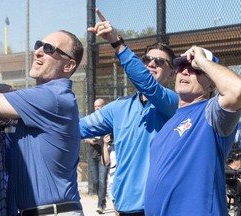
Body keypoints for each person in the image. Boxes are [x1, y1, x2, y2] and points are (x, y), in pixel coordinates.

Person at [0, 30, 84, 216]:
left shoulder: (52, 97)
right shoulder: (45, 99)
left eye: (49, 49)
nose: (38, 51)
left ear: (69, 65)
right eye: (39, 44)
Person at [80, 9, 178, 215]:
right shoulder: (120, 106)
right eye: (147, 60)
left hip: (158, 208)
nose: (151, 63)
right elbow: (78, 127)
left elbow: (147, 84)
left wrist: (116, 41)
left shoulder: (173, 103)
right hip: (123, 207)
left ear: (172, 73)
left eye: (160, 62)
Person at [144, 46, 241, 215]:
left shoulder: (210, 113)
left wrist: (201, 61)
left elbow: (238, 89)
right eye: (181, 67)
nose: (185, 72)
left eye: (195, 69)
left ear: (211, 85)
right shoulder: (168, 126)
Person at [84, 98, 109, 214]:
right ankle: (101, 199)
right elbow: (84, 135)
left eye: (99, 106)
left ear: (104, 106)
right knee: (95, 180)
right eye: (95, 106)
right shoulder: (91, 119)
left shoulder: (108, 119)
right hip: (92, 154)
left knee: (102, 180)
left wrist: (106, 141)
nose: (97, 108)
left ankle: (101, 204)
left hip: (103, 154)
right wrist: (88, 140)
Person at [102, 134, 119, 216]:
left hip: (124, 180)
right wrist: (105, 144)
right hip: (113, 181)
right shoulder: (110, 148)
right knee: (116, 209)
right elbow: (106, 162)